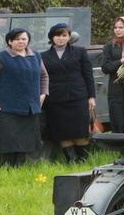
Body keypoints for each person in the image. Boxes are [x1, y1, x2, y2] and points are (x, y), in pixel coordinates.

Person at [0, 26, 46, 165]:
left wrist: (43, 94)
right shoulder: (0, 57)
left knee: (26, 139)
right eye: (17, 39)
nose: (21, 42)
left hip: (30, 106)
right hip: (7, 106)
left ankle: (20, 165)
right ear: (10, 41)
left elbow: (44, 76)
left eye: (24, 39)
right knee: (10, 138)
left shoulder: (36, 56)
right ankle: (7, 167)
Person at [40, 21, 96, 164]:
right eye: (57, 36)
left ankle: (83, 161)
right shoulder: (43, 56)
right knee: (62, 132)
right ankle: (71, 161)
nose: (61, 38)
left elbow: (88, 75)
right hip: (55, 99)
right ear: (51, 38)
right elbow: (41, 77)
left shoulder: (80, 51)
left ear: (69, 37)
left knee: (80, 131)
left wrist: (91, 96)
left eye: (64, 35)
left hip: (77, 97)